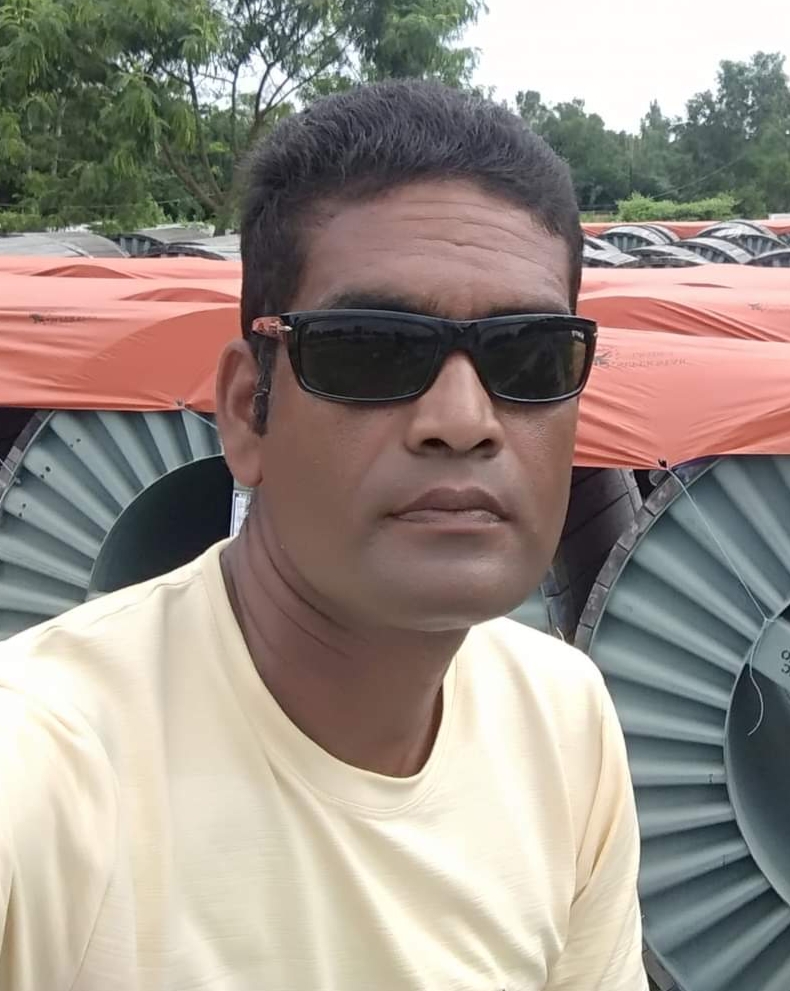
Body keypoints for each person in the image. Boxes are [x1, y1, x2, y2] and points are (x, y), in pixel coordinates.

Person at [0, 80, 647, 991]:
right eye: (371, 348)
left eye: (530, 355)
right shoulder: (39, 774)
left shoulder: (562, 721)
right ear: (246, 411)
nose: (462, 420)